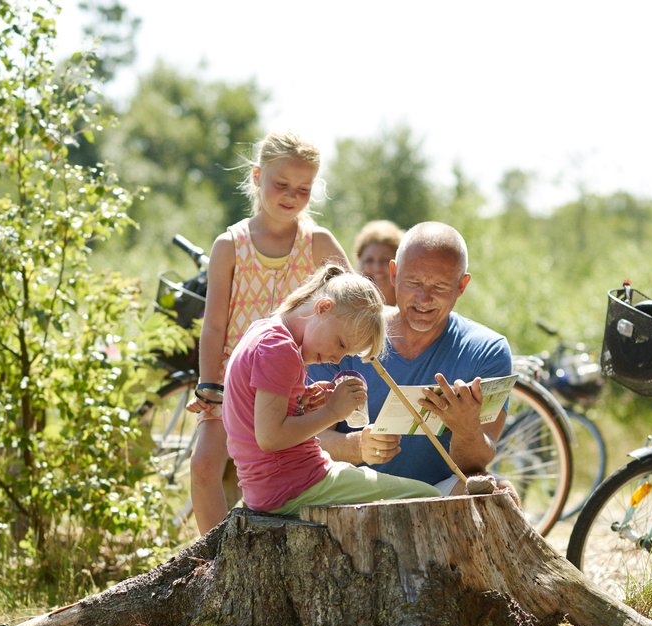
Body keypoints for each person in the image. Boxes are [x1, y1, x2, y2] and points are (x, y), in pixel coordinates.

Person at [187, 131, 350, 534]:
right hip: (233, 382)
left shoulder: (318, 244)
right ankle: (211, 560)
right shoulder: (231, 245)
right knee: (205, 464)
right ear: (257, 176)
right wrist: (209, 385)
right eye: (281, 184)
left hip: (292, 384)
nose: (291, 196)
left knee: (282, 474)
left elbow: (352, 306)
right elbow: (214, 324)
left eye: (304, 189)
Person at [309, 222, 512, 492]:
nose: (423, 298)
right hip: (350, 491)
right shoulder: (348, 332)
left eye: (439, 287)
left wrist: (466, 429)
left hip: (437, 493)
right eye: (413, 282)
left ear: (462, 286)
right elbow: (306, 437)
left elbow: (474, 466)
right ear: (393, 273)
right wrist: (357, 446)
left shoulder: (487, 349)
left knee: (496, 491)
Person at [223, 265, 440, 515]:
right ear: (323, 308)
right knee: (429, 497)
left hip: (279, 485)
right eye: (341, 343)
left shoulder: (264, 332)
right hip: (292, 487)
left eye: (345, 353)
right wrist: (334, 412)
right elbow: (270, 438)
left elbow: (259, 416)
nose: (337, 358)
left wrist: (303, 403)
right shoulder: (280, 349)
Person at [352, 219, 402, 304]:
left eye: (385, 260)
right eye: (369, 260)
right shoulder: (349, 308)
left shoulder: (414, 308)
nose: (377, 268)